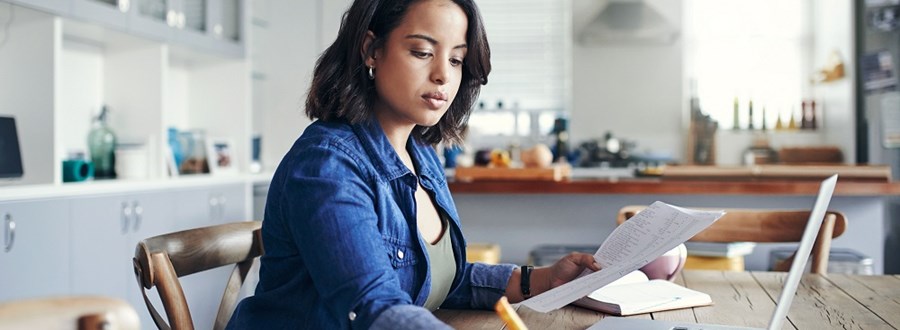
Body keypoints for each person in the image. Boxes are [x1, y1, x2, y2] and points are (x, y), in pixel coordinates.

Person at [226, 0, 600, 328]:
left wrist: (541, 280)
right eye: (422, 52)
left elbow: (437, 279)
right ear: (372, 49)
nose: (443, 75)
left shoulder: (421, 154)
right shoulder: (327, 166)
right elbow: (374, 307)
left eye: (455, 59)